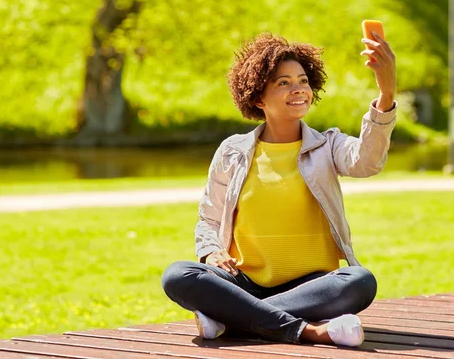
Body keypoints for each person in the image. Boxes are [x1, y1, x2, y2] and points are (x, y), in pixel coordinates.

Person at [162, 31, 397, 347]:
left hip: (313, 285)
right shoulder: (233, 151)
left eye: (302, 80)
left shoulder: (328, 146)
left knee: (359, 282)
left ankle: (232, 319)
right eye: (283, 83)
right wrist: (211, 252)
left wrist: (386, 91)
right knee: (179, 275)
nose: (298, 88)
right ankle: (309, 331)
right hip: (242, 283)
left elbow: (367, 161)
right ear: (258, 97)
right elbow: (208, 219)